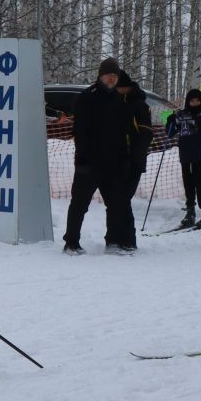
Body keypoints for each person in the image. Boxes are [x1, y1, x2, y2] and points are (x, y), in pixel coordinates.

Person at [63, 58, 131, 255]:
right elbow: (80, 130)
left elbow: (123, 132)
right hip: (89, 163)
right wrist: (83, 156)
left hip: (113, 164)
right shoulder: (87, 97)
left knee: (116, 204)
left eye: (114, 76)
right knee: (79, 204)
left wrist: (124, 157)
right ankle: (71, 242)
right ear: (100, 76)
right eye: (108, 75)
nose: (111, 79)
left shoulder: (119, 99)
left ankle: (114, 242)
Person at [165, 88, 201, 229]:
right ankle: (190, 213)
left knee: (200, 185)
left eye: (197, 101)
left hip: (200, 156)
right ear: (188, 102)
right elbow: (170, 133)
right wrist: (170, 121)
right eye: (192, 101)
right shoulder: (181, 115)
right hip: (185, 155)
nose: (194, 103)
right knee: (188, 185)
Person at [114, 71, 153, 250]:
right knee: (119, 200)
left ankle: (129, 240)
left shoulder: (138, 106)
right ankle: (118, 237)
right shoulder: (120, 102)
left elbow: (144, 136)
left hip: (132, 162)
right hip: (118, 160)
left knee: (123, 200)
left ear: (125, 87)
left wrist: (134, 160)